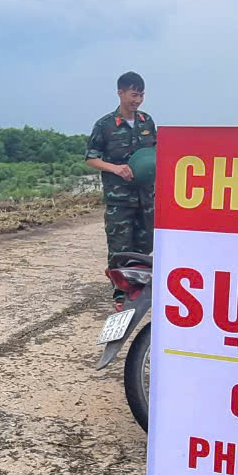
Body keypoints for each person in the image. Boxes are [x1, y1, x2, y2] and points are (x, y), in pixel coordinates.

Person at [84, 71, 158, 307]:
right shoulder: (105, 125)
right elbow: (91, 158)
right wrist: (114, 168)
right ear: (121, 93)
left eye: (141, 95)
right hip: (119, 198)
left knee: (145, 244)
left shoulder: (147, 122)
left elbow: (155, 153)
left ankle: (139, 288)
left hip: (146, 197)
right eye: (134, 94)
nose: (137, 100)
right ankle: (120, 293)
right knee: (120, 245)